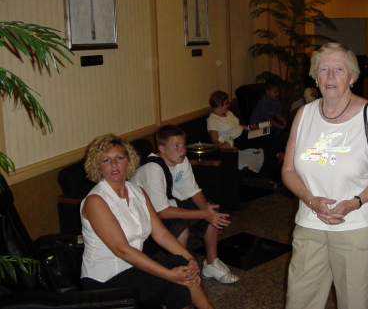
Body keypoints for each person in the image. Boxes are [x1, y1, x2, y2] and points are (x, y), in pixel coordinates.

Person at [282, 43, 368, 309]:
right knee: (299, 300)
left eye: (339, 69)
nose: (331, 76)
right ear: (315, 76)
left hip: (354, 225)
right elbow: (288, 170)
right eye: (324, 69)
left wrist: (354, 202)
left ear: (353, 77)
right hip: (310, 222)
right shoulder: (304, 114)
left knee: (352, 302)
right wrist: (310, 200)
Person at [80, 134, 214, 309]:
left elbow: (161, 233)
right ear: (98, 166)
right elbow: (122, 250)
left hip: (133, 270)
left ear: (129, 161)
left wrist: (190, 260)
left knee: (180, 277)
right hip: (104, 281)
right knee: (175, 270)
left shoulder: (138, 192)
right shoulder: (96, 201)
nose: (114, 165)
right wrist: (169, 273)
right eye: (106, 160)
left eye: (119, 158)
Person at [130, 125, 239, 284]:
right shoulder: (152, 168)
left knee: (211, 208)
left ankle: (211, 263)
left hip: (168, 204)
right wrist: (202, 214)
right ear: (162, 148)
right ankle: (180, 273)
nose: (182, 150)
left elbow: (193, 191)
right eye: (176, 146)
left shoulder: (182, 160)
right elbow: (162, 212)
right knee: (181, 228)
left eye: (183, 145)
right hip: (144, 214)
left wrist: (206, 210)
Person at [207, 90, 283, 187]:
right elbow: (214, 140)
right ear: (219, 104)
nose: (229, 105)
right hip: (237, 141)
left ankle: (279, 157)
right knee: (266, 144)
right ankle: (276, 174)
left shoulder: (228, 113)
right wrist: (222, 145)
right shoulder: (212, 120)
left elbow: (241, 126)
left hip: (245, 134)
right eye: (226, 103)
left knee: (269, 133)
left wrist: (259, 126)